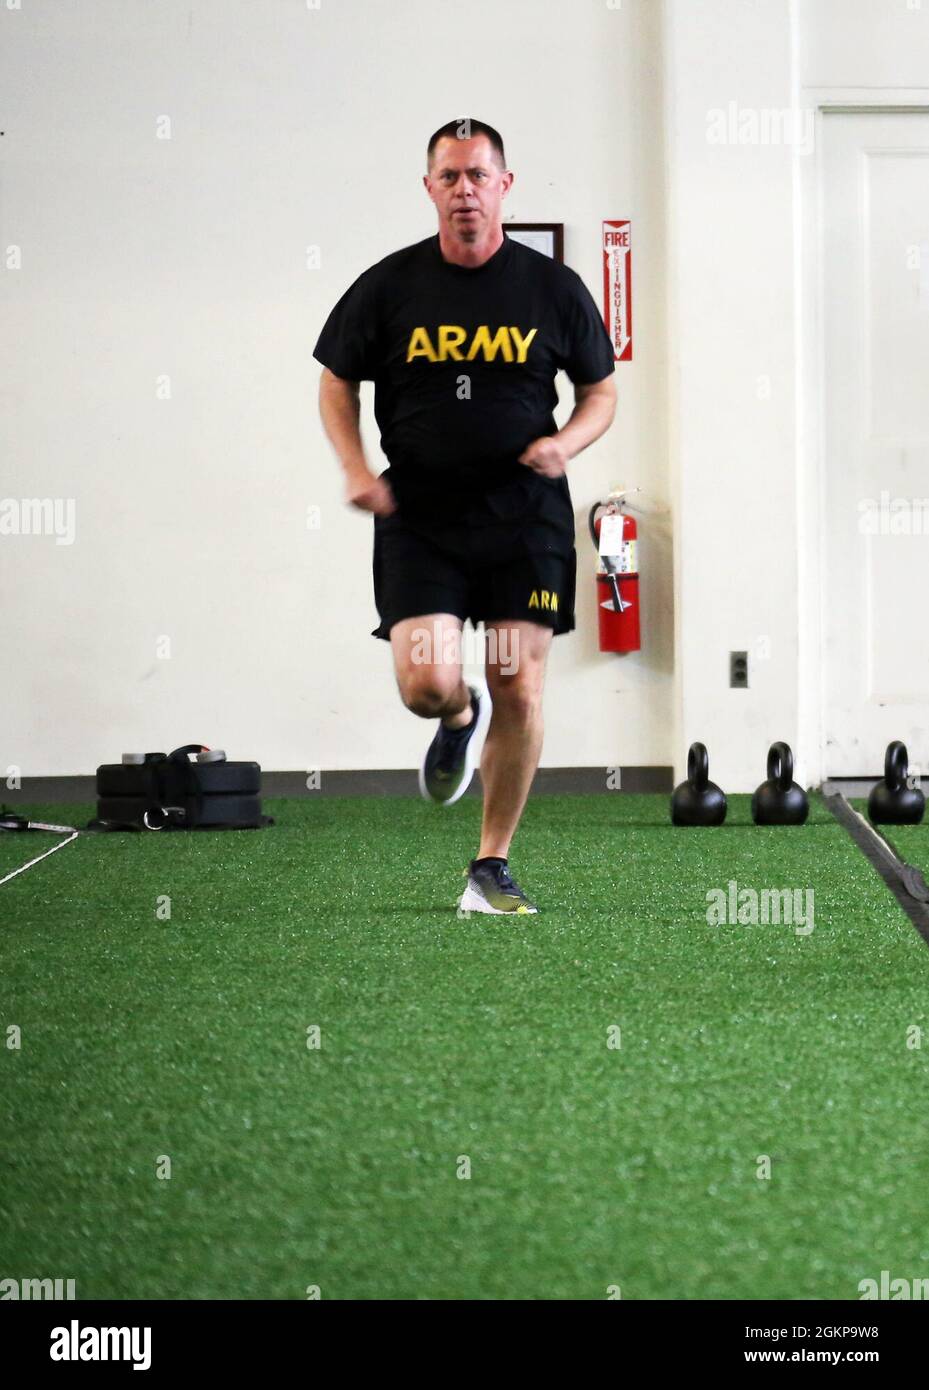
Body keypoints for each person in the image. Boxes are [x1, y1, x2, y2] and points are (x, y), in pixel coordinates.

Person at [314, 118, 616, 914]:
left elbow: (600, 392)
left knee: (517, 682)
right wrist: (354, 467)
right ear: (429, 189)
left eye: (478, 175)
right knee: (425, 682)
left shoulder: (552, 289)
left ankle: (490, 864)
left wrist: (566, 443)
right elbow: (335, 380)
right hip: (420, 519)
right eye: (448, 177)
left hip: (524, 521)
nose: (464, 190)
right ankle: (455, 718)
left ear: (504, 186)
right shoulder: (388, 286)